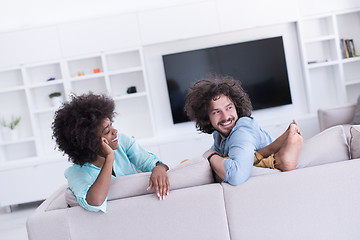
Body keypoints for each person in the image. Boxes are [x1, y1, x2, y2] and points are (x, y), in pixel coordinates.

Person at [52, 93, 169, 212]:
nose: (115, 131)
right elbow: (95, 202)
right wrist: (109, 157)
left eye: (111, 125)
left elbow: (150, 162)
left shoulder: (122, 141)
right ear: (90, 143)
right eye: (107, 131)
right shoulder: (76, 173)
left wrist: (159, 168)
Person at [184, 75, 303, 186]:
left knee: (224, 163)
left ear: (237, 107)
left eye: (229, 108)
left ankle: (278, 159)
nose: (225, 117)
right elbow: (213, 156)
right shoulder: (218, 135)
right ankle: (277, 147)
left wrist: (211, 156)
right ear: (207, 118)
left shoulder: (241, 131)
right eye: (216, 112)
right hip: (254, 151)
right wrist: (212, 156)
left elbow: (236, 176)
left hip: (266, 174)